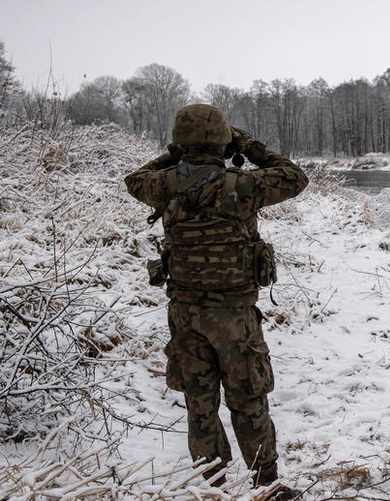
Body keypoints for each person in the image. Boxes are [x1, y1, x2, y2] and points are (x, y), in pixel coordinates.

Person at [124, 104, 308, 498]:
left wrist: (173, 154)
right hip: (235, 317)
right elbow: (295, 177)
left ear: (181, 141)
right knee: (248, 399)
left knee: (200, 403)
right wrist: (248, 145)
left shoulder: (164, 185)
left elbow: (134, 179)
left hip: (186, 316)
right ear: (223, 140)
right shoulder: (243, 186)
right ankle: (267, 485)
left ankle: (212, 487)